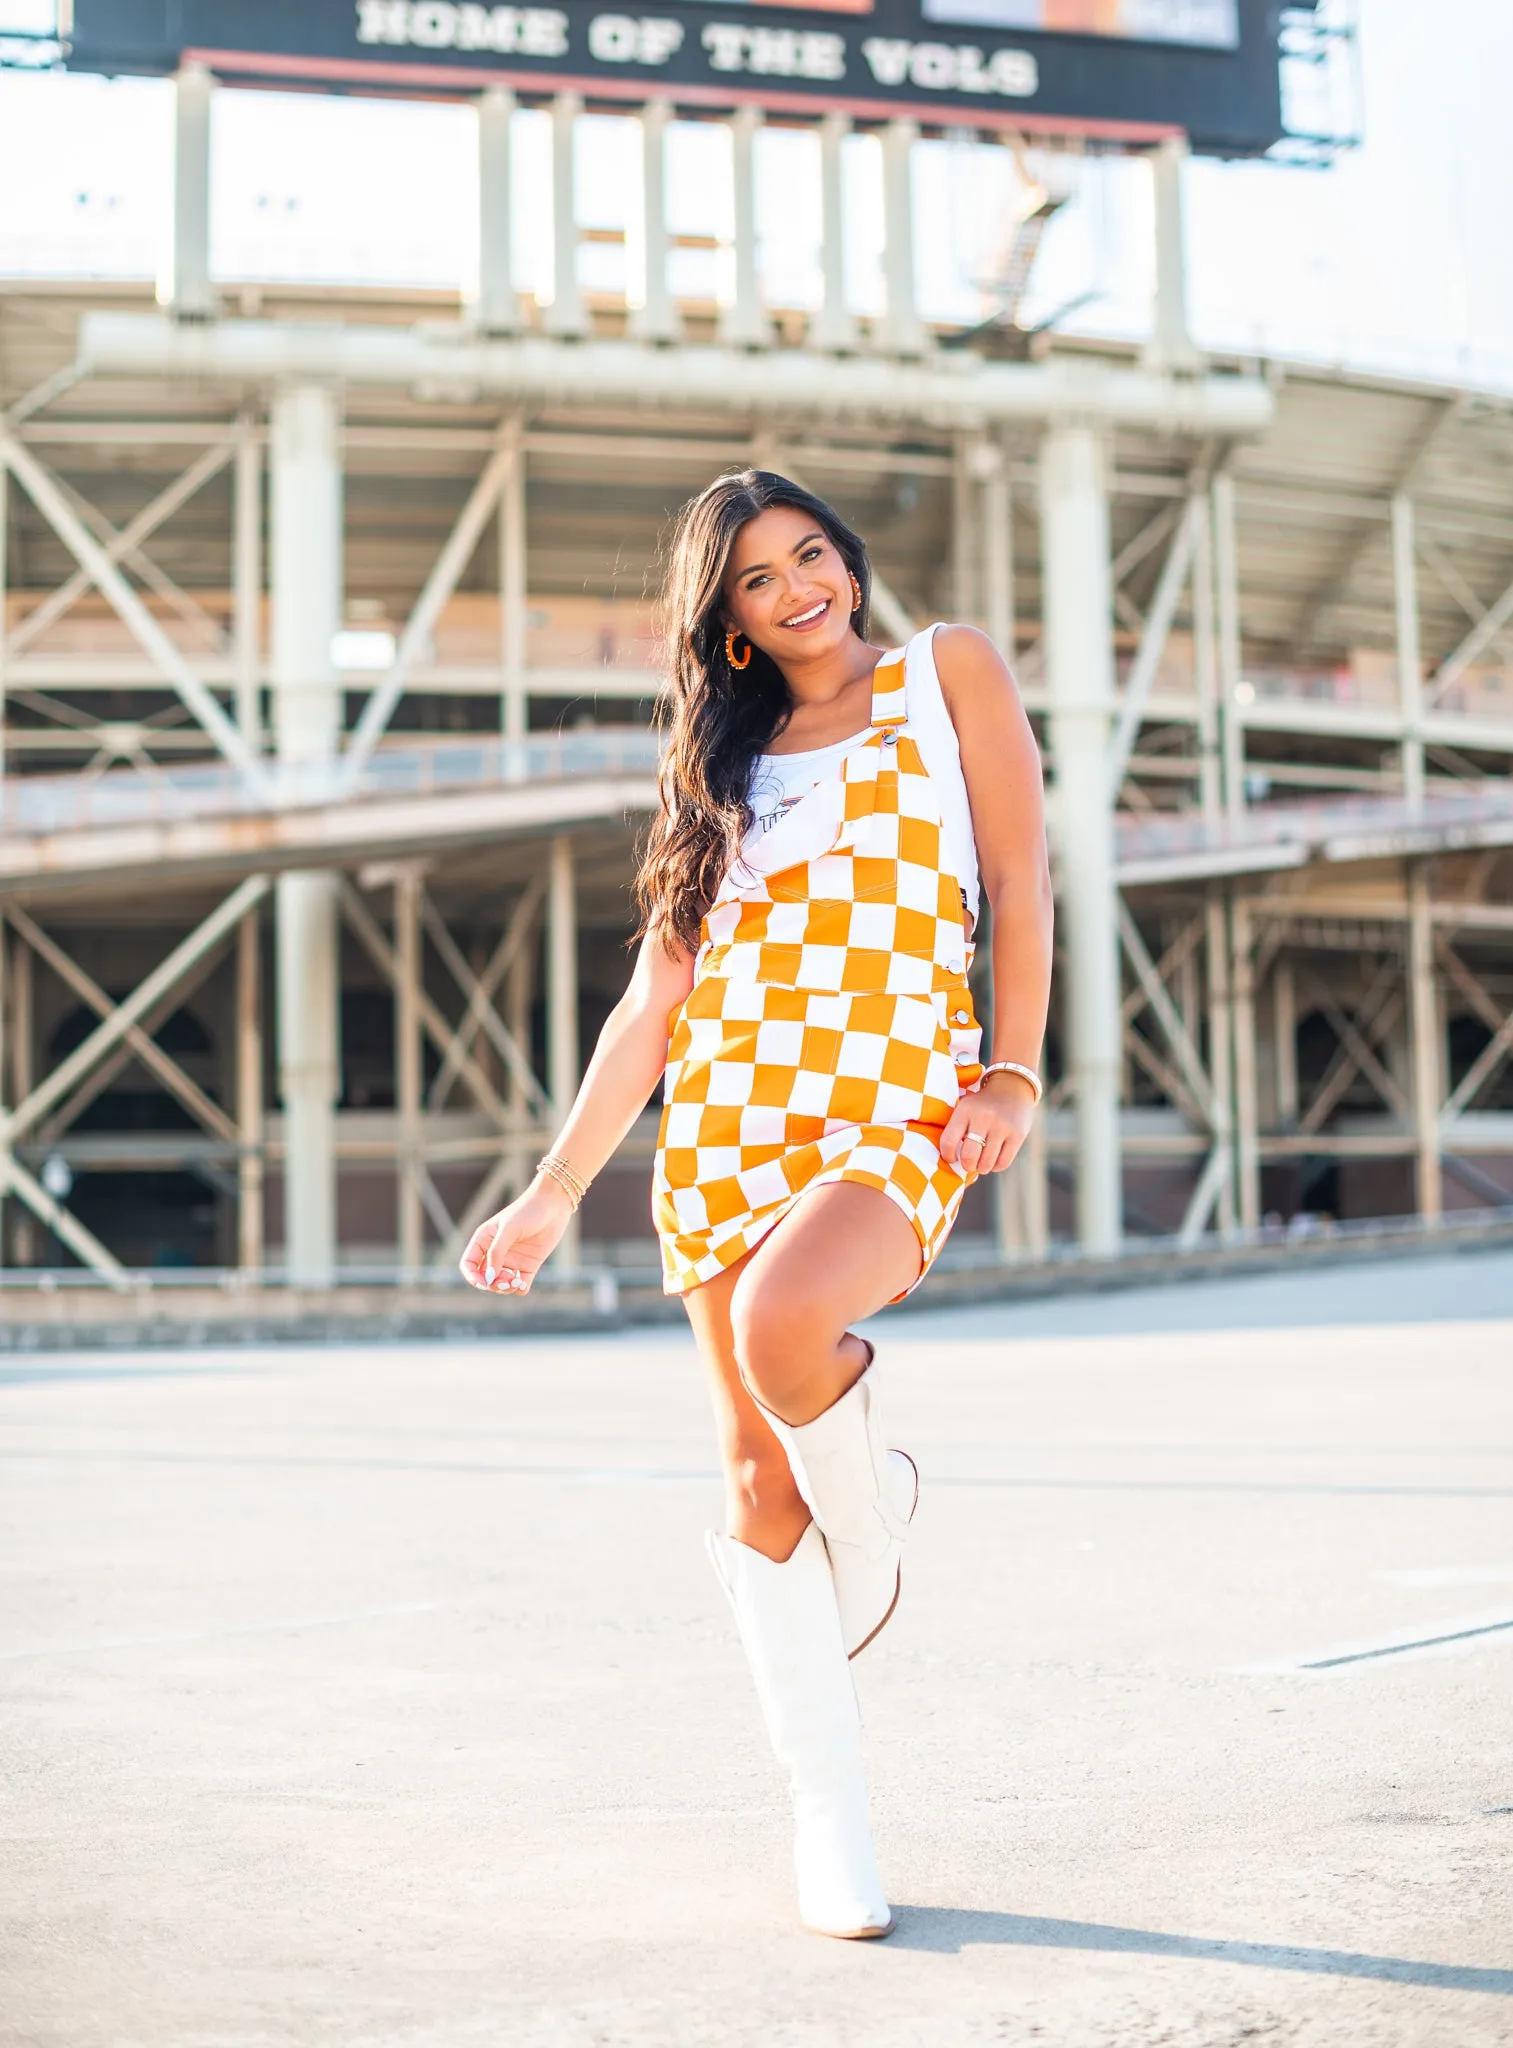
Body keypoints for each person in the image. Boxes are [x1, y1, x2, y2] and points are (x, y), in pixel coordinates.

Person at [461, 470, 1053, 1938]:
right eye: (757, 580)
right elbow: (653, 1005)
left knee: (794, 1321)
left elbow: (1027, 881)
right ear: (725, 622)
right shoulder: (717, 770)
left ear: (846, 560)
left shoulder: (945, 673)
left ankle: (880, 1517)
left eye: (811, 555)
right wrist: (552, 1189)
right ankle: (827, 1825)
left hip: (894, 1108)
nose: (801, 589)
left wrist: (1015, 1072)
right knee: (755, 1491)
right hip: (727, 1124)